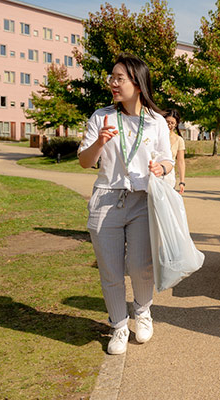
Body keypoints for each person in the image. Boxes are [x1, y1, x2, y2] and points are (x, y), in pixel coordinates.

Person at [78, 53, 174, 355]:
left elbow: (168, 159)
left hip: (142, 200)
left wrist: (161, 168)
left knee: (140, 266)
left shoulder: (156, 121)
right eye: (112, 78)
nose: (113, 83)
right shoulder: (101, 117)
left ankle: (142, 312)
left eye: (119, 78)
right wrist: (99, 143)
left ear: (138, 83)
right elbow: (84, 162)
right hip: (106, 199)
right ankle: (118, 326)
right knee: (110, 270)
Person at [163, 109, 186, 195]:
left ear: (176, 124)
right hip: (155, 174)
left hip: (169, 177)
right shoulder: (156, 136)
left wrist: (182, 181)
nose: (169, 125)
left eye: (172, 123)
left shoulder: (179, 140)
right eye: (167, 122)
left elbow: (181, 161)